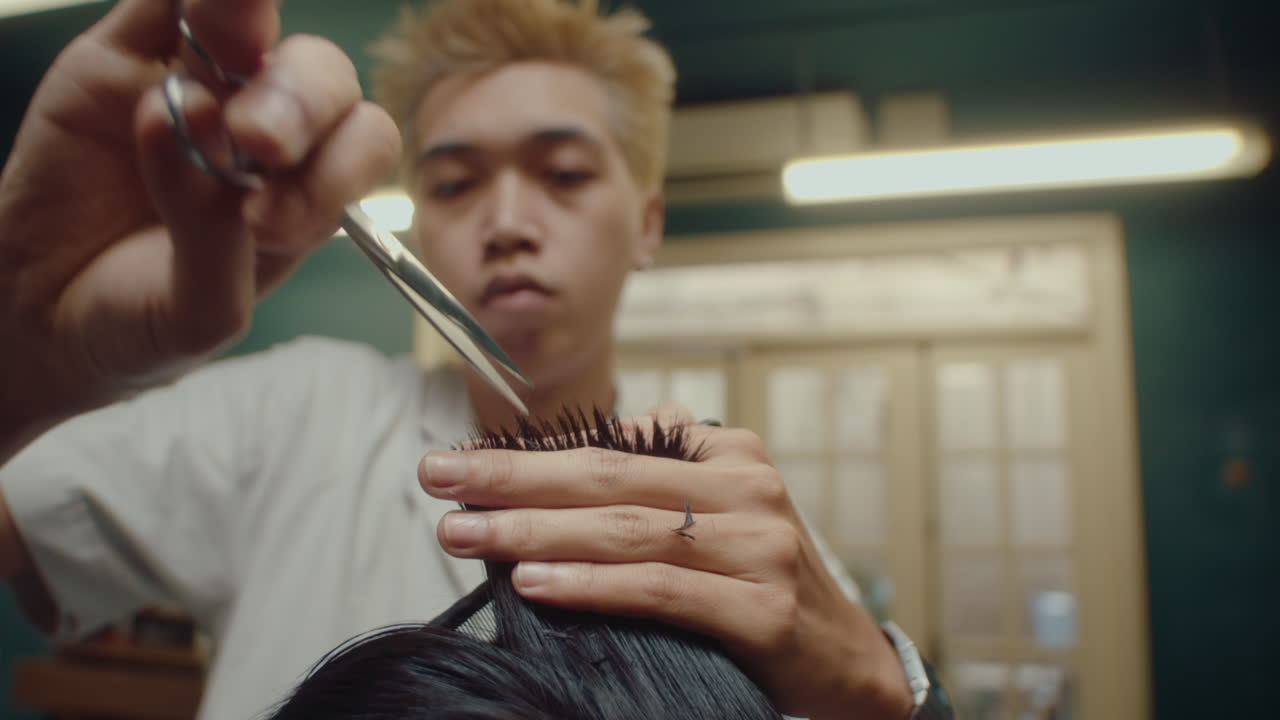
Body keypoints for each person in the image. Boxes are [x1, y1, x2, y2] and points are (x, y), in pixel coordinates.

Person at [0, 1, 940, 719]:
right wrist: (22, 361)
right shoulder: (292, 410)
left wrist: (878, 684)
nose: (506, 223)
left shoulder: (724, 503)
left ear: (647, 221)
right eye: (455, 183)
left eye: (564, 174)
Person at [266, 411, 786, 720]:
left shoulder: (749, 530)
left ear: (648, 226)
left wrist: (864, 673)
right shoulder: (302, 418)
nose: (509, 224)